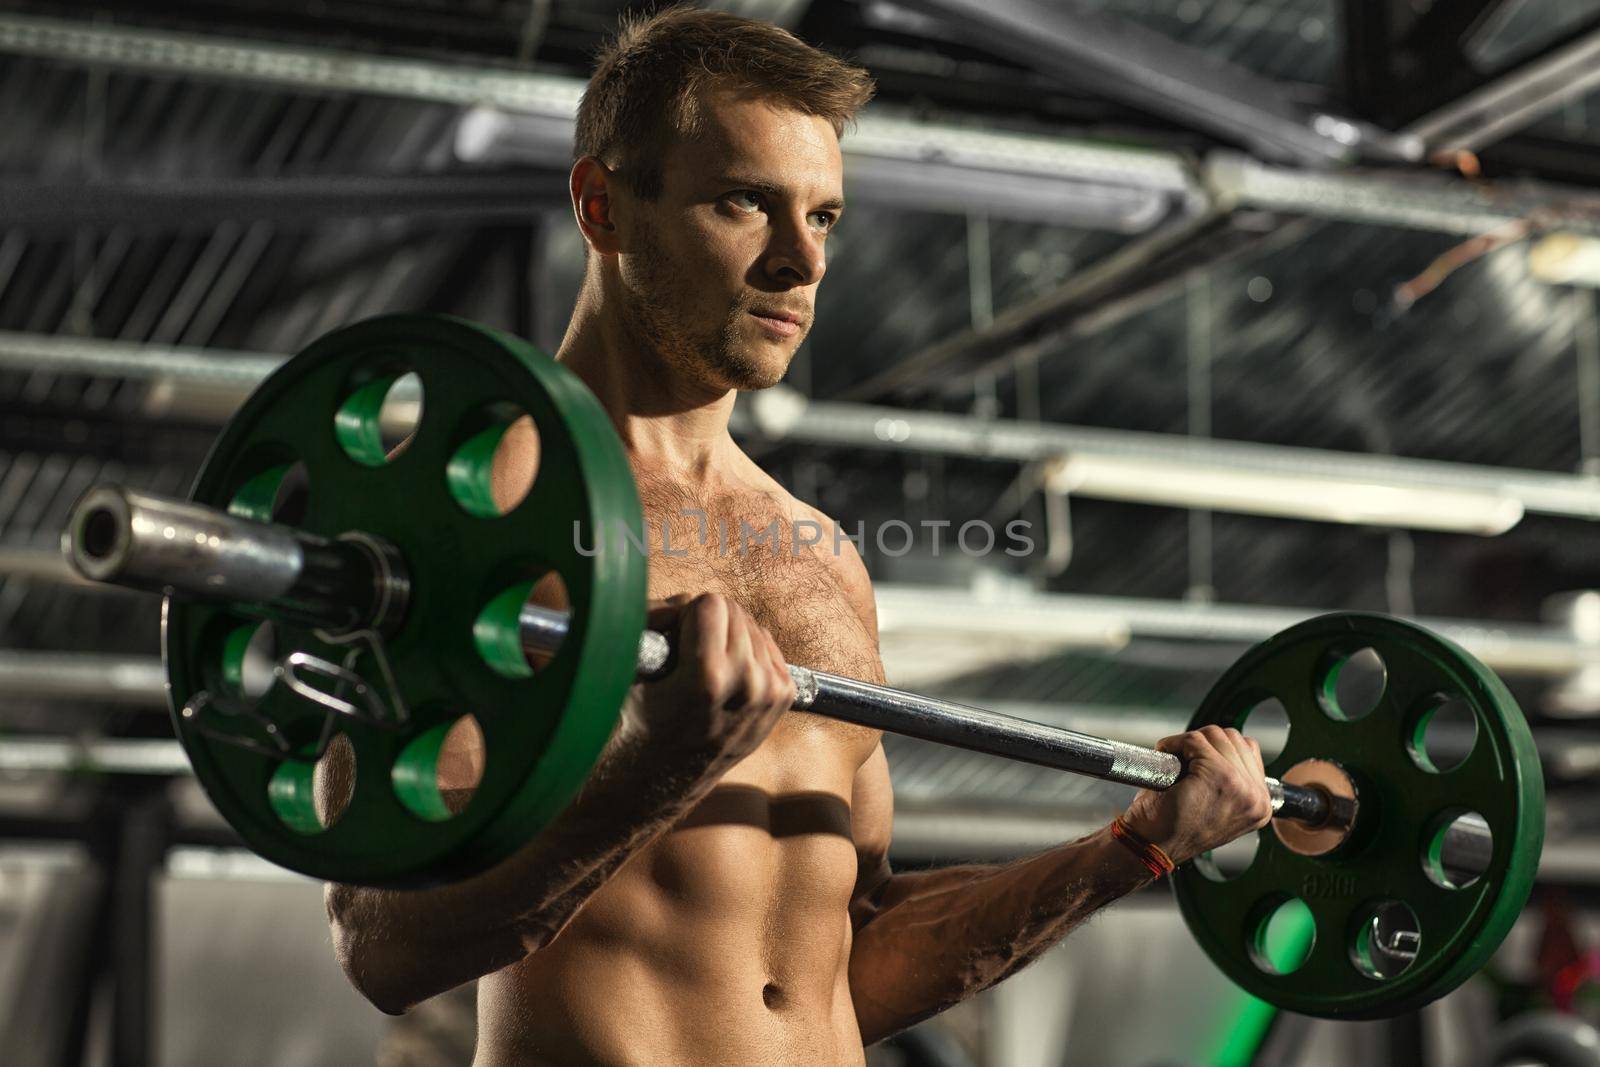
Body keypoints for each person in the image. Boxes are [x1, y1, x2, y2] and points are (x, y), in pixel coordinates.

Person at [324, 8, 1274, 1065]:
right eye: (746, 202)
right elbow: (383, 943)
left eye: (823, 218)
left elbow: (849, 961)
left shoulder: (820, 557)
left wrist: (1130, 847)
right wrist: (658, 761)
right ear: (602, 206)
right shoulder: (472, 507)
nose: (799, 261)